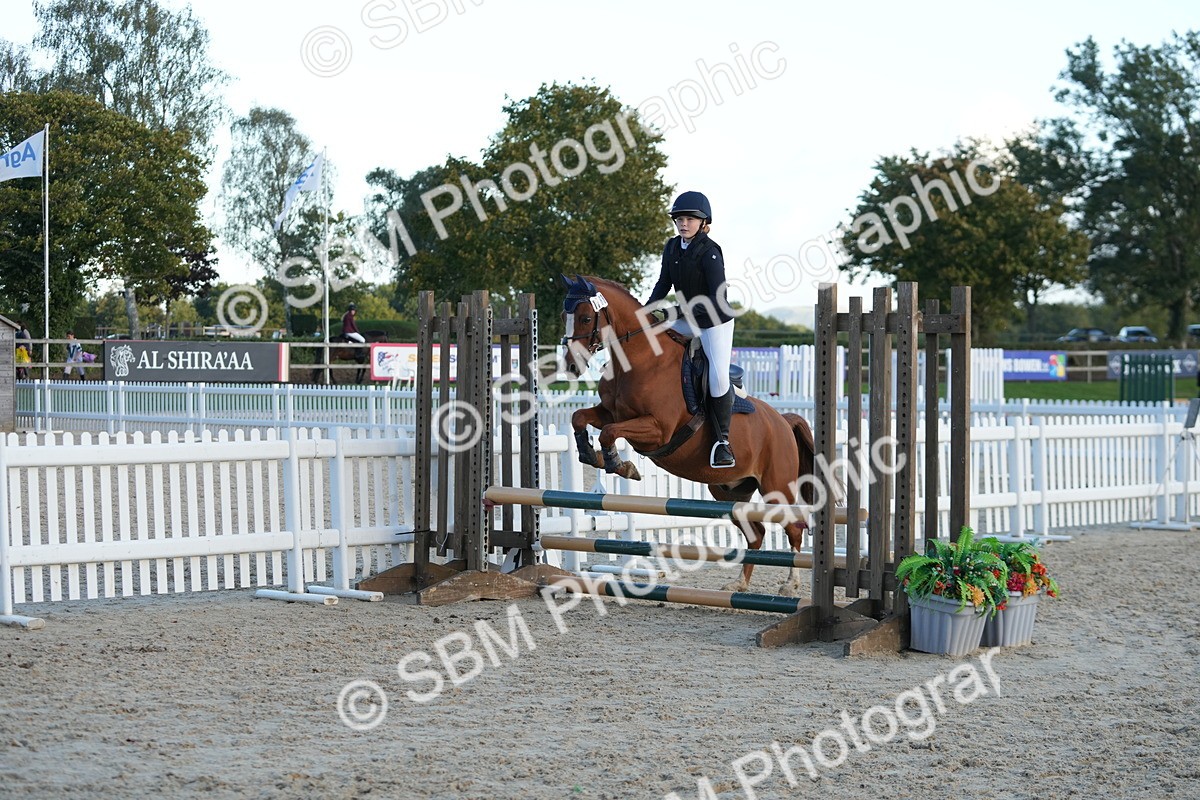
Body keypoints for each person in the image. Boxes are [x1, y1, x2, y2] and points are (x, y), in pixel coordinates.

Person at [645, 190, 737, 468]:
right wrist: (646, 310)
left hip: (714, 320)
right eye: (679, 219)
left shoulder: (710, 252)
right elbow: (663, 284)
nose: (683, 223)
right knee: (646, 334)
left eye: (689, 219)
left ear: (703, 222)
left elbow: (716, 298)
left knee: (719, 377)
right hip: (686, 315)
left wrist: (675, 311)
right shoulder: (672, 247)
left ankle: (723, 442)